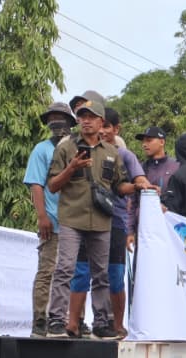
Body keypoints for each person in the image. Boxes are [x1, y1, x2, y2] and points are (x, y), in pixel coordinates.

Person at [44, 92, 132, 338]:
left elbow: (119, 186)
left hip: (101, 221)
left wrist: (138, 186)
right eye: (82, 117)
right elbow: (52, 185)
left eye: (91, 117)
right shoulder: (66, 147)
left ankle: (102, 324)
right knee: (65, 269)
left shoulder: (111, 152)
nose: (86, 121)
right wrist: (71, 168)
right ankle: (56, 321)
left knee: (101, 274)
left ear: (101, 122)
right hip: (72, 219)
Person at [23, 101, 74, 337]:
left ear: (70, 122)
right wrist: (42, 216)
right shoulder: (41, 149)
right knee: (47, 271)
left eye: (60, 117)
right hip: (52, 220)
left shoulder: (77, 146)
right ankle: (40, 319)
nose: (56, 122)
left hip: (76, 221)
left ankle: (70, 320)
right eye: (52, 118)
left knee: (72, 273)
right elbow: (36, 184)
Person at [136, 126, 178, 195]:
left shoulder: (176, 166)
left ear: (162, 142)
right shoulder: (139, 169)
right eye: (143, 141)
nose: (144, 145)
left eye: (149, 140)